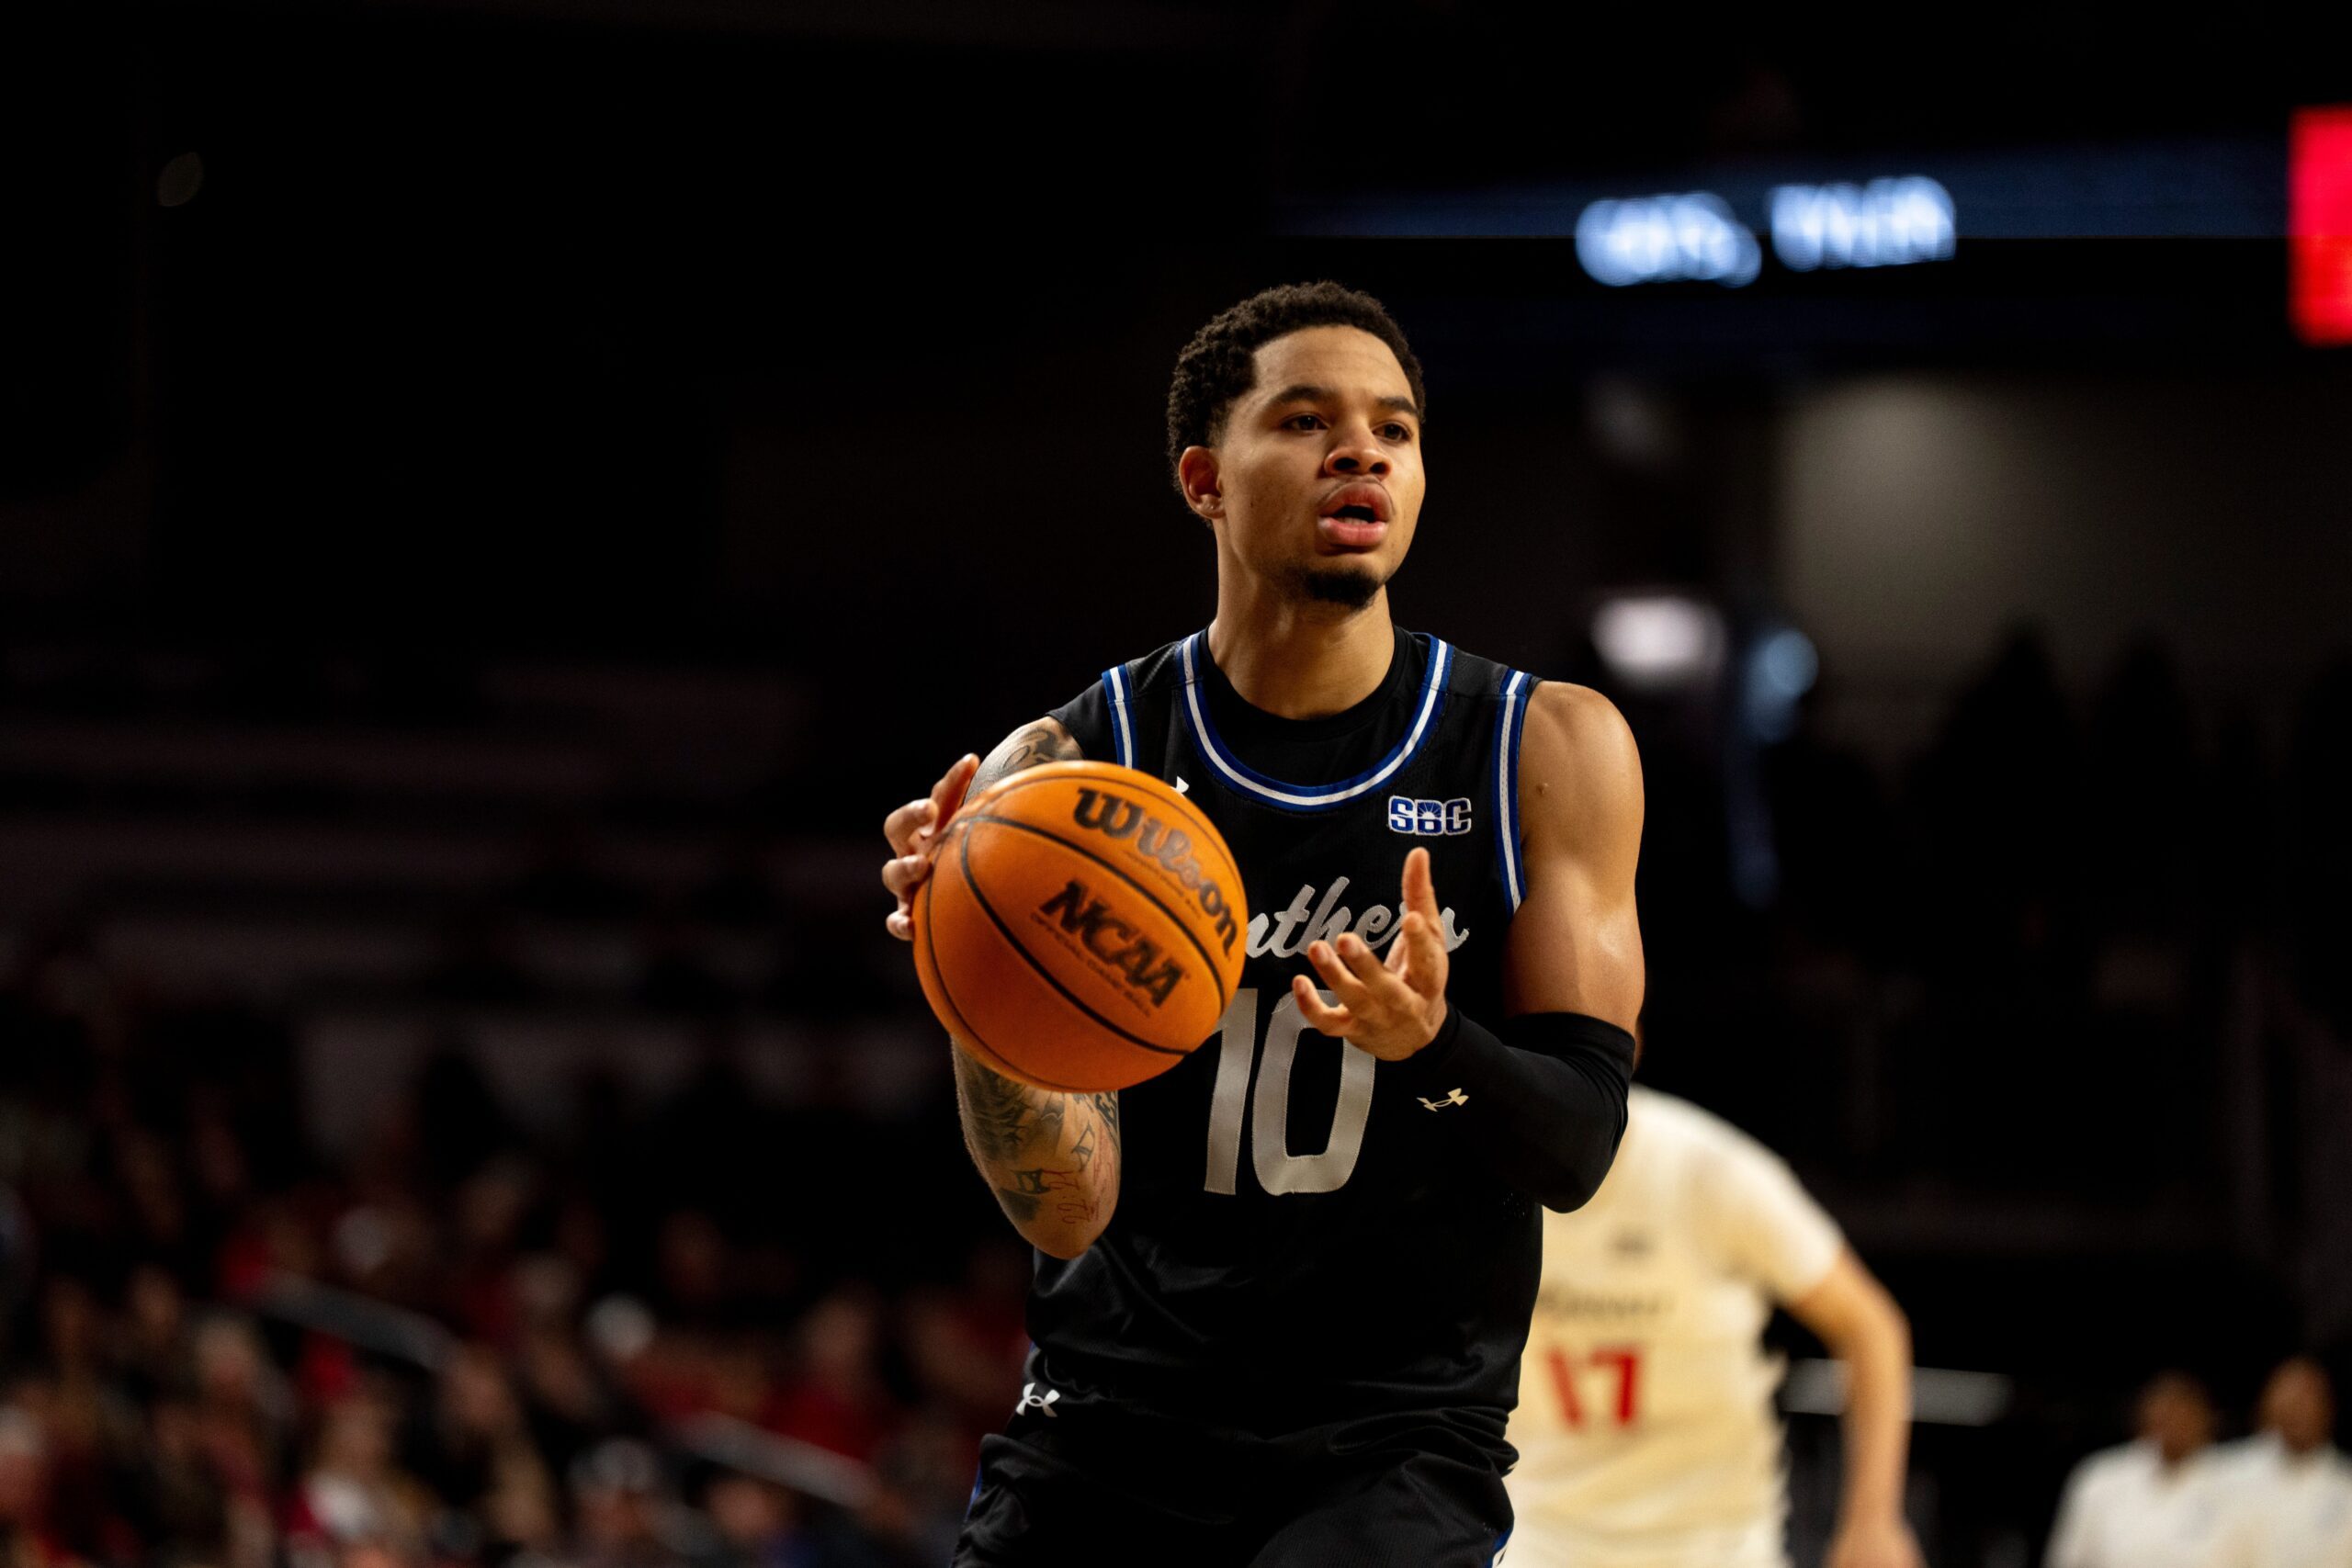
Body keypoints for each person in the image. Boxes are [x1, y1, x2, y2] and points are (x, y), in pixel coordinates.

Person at [879, 282, 1645, 1565]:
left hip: (1391, 1441)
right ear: (1203, 479)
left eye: (1394, 431)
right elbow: (1064, 1211)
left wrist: (1433, 1044)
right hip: (1112, 1421)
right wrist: (978, 966)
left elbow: (1575, 1150)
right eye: (1305, 420)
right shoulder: (1069, 766)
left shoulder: (1543, 748)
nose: (1362, 452)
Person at [1501, 1085, 1922, 1568]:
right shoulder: (1475, 1177)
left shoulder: (1709, 1169)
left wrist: (1873, 1521)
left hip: (1714, 1541)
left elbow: (1869, 1326)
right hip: (1538, 1535)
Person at [2044, 1371, 2237, 1568]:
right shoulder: (2102, 1474)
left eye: (2183, 1409)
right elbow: (2069, 1558)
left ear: (2207, 1417)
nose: (2174, 1419)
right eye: (2164, 1410)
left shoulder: (2235, 1479)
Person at [2215, 1357, 2352, 1568]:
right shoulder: (2224, 1470)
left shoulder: (2345, 1484)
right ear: (2267, 1405)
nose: (2297, 1412)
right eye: (2289, 1401)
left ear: (2328, 1408)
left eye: (2307, 1401)